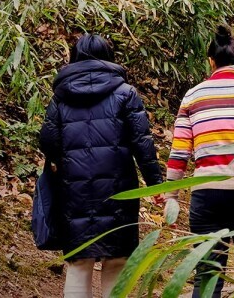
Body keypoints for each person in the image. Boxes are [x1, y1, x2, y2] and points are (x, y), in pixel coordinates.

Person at [39, 34, 163, 298]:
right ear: (109, 57)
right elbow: (143, 144)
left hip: (74, 191)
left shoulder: (60, 97)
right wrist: (156, 186)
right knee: (116, 260)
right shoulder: (125, 94)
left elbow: (48, 141)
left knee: (79, 261)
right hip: (118, 191)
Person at [165, 25, 234, 298]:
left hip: (208, 195)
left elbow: (180, 151)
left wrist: (171, 194)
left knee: (207, 273)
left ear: (211, 62)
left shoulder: (192, 96)